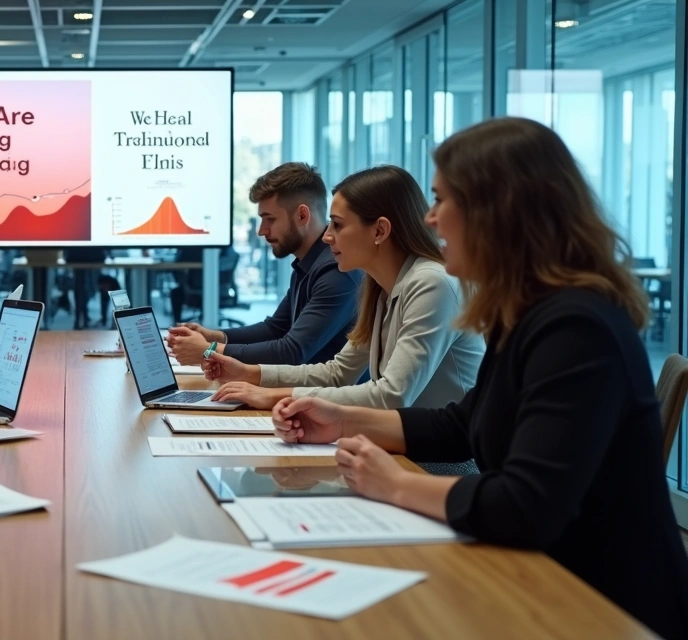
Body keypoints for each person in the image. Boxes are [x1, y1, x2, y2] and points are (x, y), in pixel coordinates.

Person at [272, 117, 688, 639]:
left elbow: (526, 505)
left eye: (443, 200)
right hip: (542, 576)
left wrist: (396, 484)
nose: (429, 217)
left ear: (498, 213)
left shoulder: (576, 327)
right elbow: (461, 424)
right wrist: (338, 419)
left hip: (599, 605)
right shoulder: (529, 312)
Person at [202, 165, 484, 475]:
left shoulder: (432, 283)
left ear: (379, 231)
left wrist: (270, 394)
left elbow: (391, 395)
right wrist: (252, 374)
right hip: (397, 452)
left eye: (337, 225)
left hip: (442, 465)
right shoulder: (380, 287)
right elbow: (339, 372)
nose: (326, 236)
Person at [168, 162, 360, 366]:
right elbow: (276, 329)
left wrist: (209, 351)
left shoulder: (337, 270)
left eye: (270, 219)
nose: (261, 231)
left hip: (328, 397)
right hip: (305, 392)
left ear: (302, 216)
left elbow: (292, 351)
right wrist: (214, 337)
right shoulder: (307, 265)